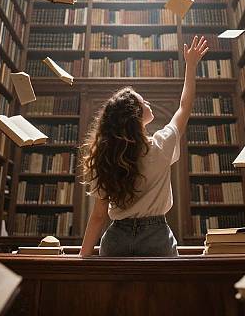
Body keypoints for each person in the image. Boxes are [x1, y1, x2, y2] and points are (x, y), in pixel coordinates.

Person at [80, 36, 208, 257]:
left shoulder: (106, 157)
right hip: (156, 237)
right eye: (143, 101)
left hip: (116, 240)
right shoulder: (160, 144)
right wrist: (191, 66)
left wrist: (82, 258)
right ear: (136, 116)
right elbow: (184, 107)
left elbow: (99, 216)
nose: (148, 103)